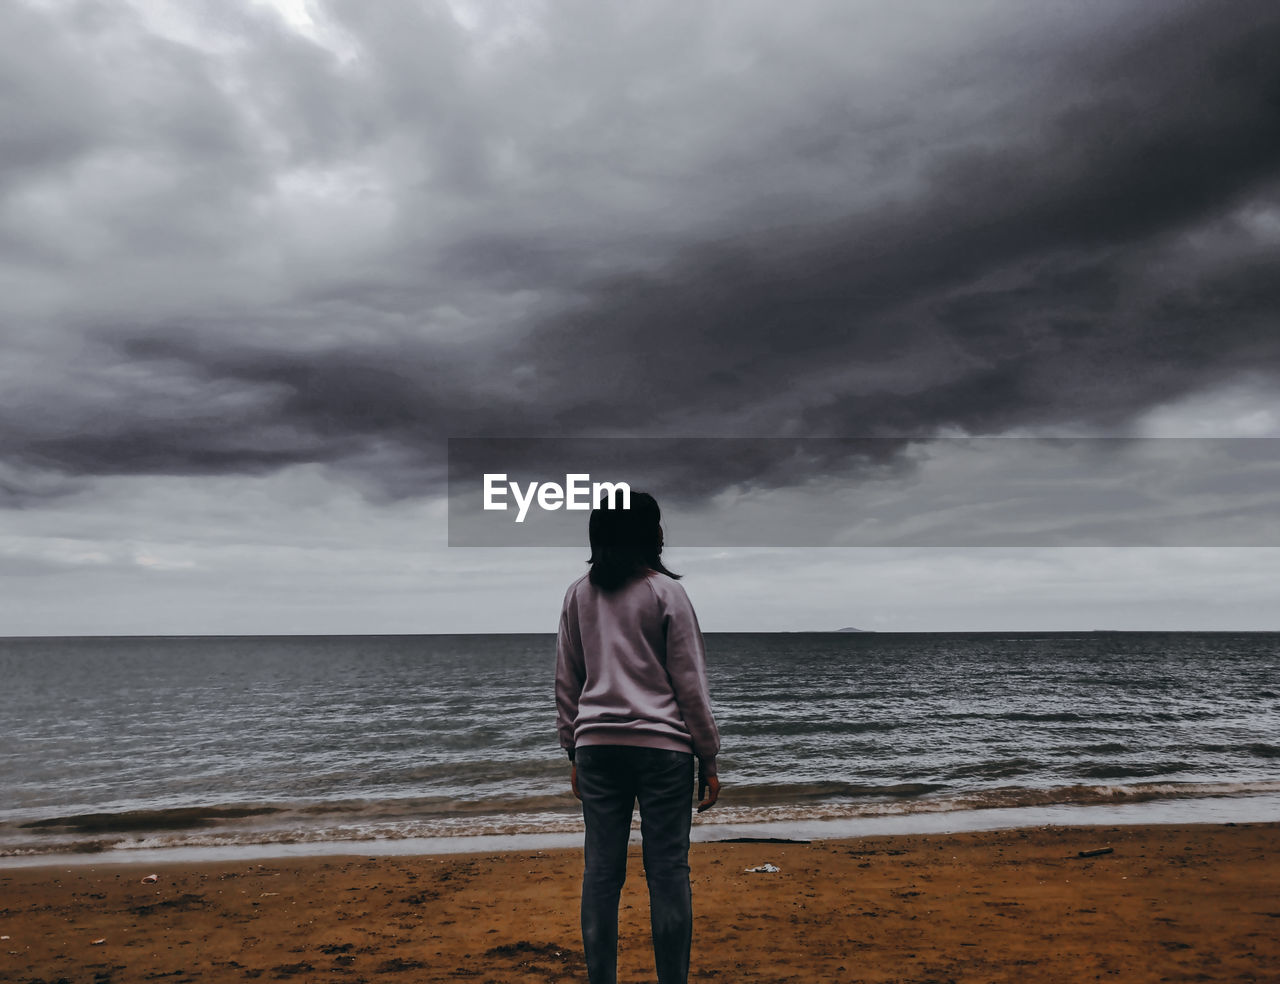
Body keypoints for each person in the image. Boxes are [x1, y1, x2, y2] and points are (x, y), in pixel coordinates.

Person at [555, 491, 721, 984]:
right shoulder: (665, 594)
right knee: (668, 873)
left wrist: (573, 748)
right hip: (664, 750)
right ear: (651, 535)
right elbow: (690, 684)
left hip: (597, 748)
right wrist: (708, 756)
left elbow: (568, 679)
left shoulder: (578, 594)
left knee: (601, 875)